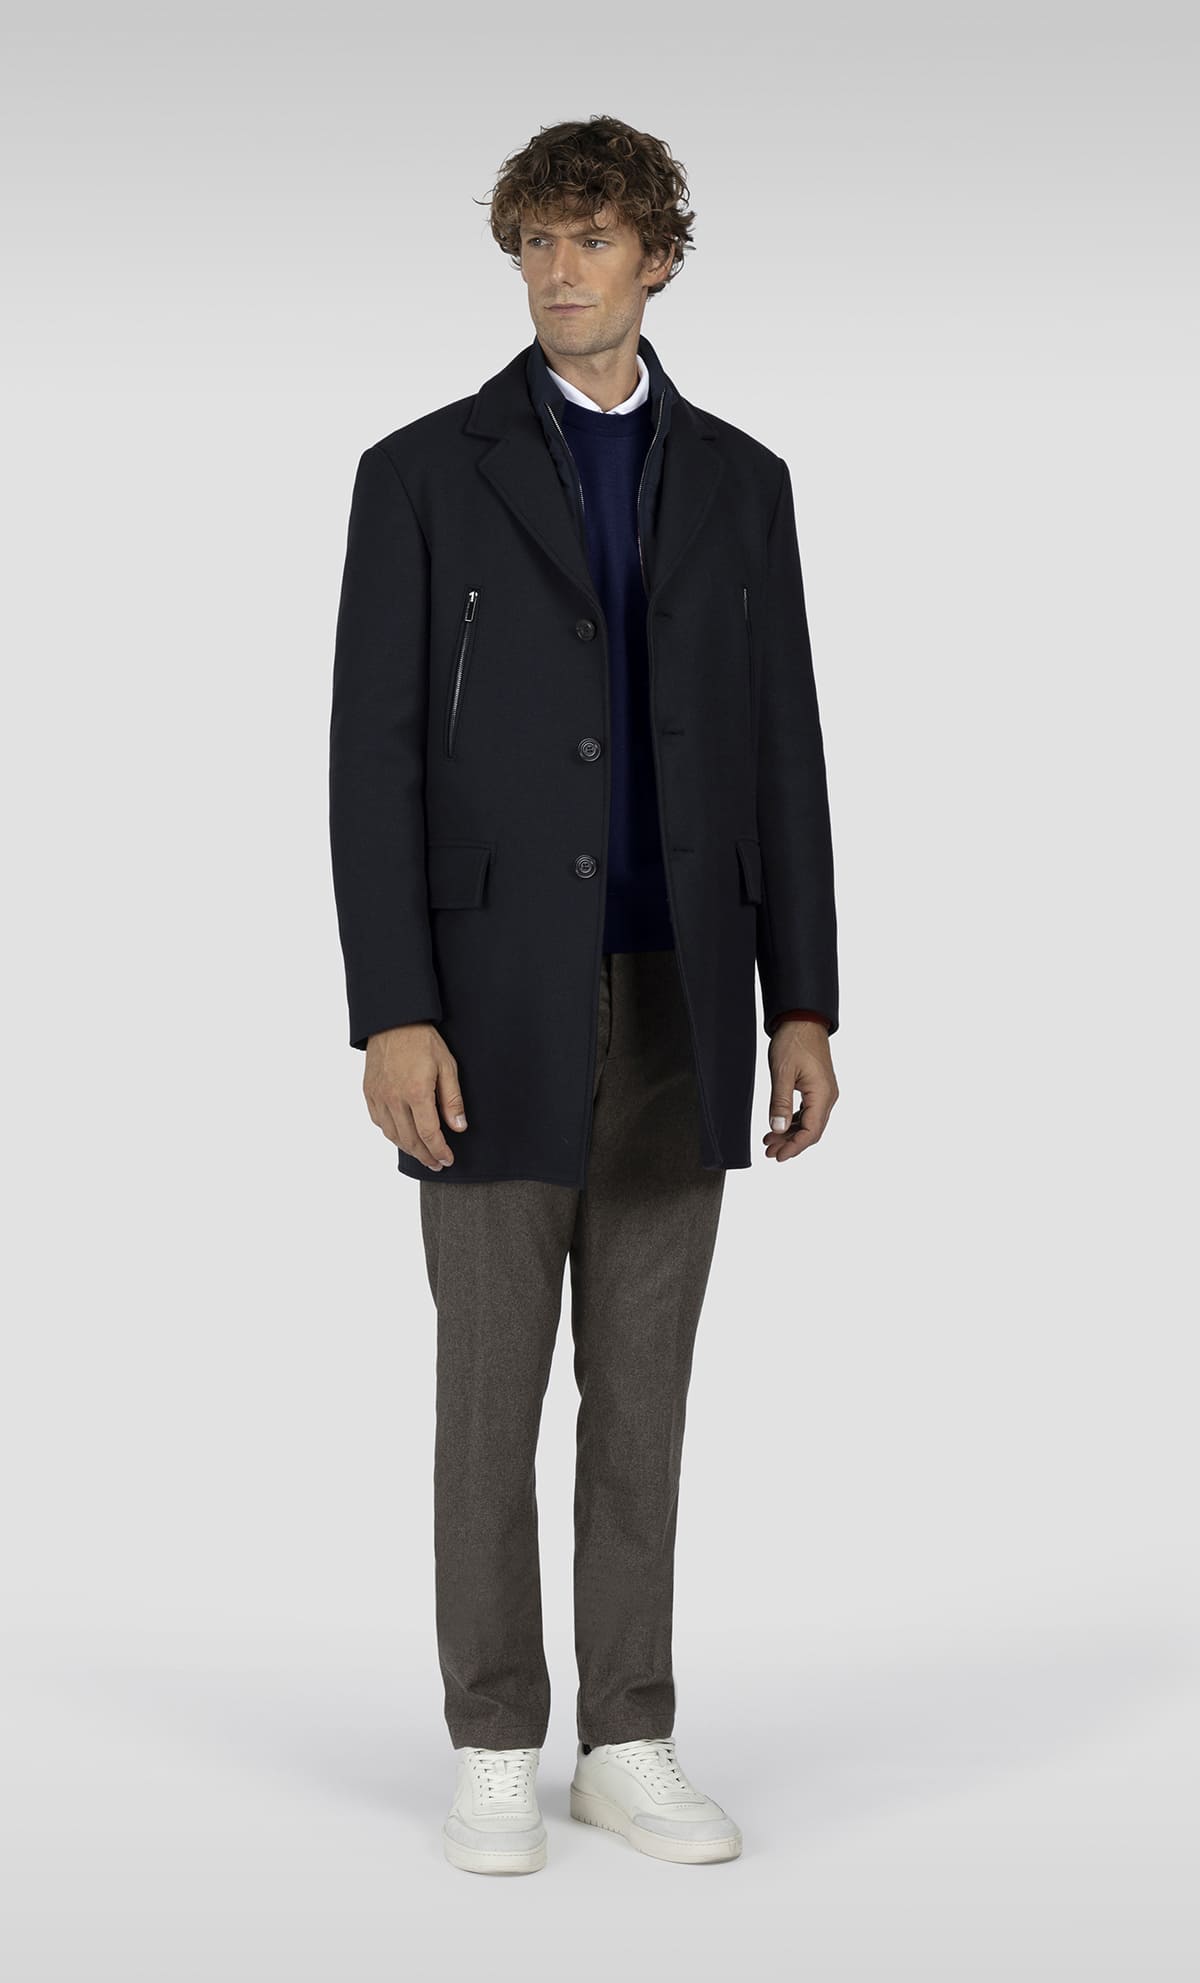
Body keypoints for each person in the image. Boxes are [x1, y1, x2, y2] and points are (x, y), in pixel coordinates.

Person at [328, 114, 839, 1874]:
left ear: (658, 261)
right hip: (487, 1005)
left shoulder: (746, 482)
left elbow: (785, 750)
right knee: (491, 1389)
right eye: (536, 241)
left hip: (687, 994)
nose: (559, 270)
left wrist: (803, 997)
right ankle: (494, 1739)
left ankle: (628, 1736)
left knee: (644, 1391)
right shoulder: (421, 472)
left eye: (594, 239)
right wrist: (392, 1006)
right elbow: (371, 756)